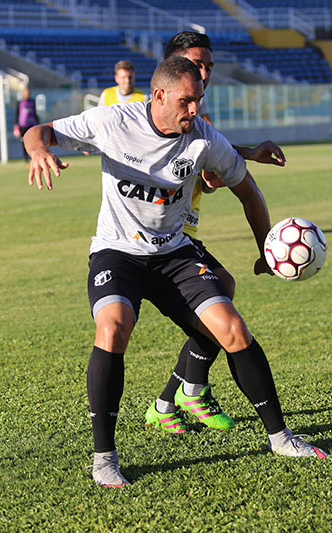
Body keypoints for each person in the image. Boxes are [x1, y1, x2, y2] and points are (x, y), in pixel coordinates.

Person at [24, 56, 326, 488]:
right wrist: (38, 149)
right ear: (159, 95)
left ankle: (280, 438)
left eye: (199, 101)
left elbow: (249, 192)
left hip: (173, 255)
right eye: (186, 101)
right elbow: (42, 131)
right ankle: (104, 459)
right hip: (117, 253)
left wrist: (265, 250)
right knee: (113, 327)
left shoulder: (203, 137)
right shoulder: (113, 121)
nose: (194, 110)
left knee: (233, 328)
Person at [144, 31, 287, 435]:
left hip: (182, 229)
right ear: (173, 67)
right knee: (218, 296)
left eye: (208, 65)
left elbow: (207, 160)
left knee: (219, 295)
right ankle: (189, 391)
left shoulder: (195, 117)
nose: (204, 72)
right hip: (152, 238)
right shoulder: (157, 111)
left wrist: (244, 155)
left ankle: (170, 400)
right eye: (196, 63)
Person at [13, 87, 38, 164]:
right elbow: (17, 114)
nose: (27, 94)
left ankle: (33, 158)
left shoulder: (33, 102)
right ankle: (25, 159)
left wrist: (38, 123)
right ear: (23, 93)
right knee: (24, 142)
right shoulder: (19, 103)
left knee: (33, 142)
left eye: (28, 92)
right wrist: (16, 126)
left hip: (31, 125)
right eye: (25, 92)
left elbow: (35, 113)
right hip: (22, 126)